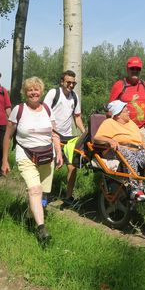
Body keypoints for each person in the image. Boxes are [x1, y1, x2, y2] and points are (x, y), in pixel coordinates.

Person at [2, 77, 63, 245]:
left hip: (46, 157)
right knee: (35, 189)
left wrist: (59, 152)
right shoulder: (18, 110)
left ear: (41, 91)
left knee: (40, 193)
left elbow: (54, 133)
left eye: (36, 89)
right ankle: (41, 229)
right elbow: (7, 136)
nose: (33, 92)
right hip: (26, 155)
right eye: (30, 90)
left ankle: (29, 218)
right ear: (25, 92)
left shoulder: (47, 109)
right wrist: (4, 160)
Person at [93, 100, 145, 205]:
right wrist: (110, 140)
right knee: (127, 153)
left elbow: (142, 136)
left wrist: (144, 146)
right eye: (126, 111)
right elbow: (97, 138)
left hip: (136, 149)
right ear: (118, 115)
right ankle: (134, 189)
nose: (129, 112)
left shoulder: (131, 123)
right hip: (119, 149)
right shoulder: (109, 122)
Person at [43, 70, 86, 206]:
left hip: (67, 137)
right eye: (69, 82)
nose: (71, 85)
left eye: (74, 83)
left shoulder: (74, 97)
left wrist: (85, 133)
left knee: (72, 166)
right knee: (48, 166)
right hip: (50, 135)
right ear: (62, 82)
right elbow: (44, 112)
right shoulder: (53, 93)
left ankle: (68, 197)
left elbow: (77, 117)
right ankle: (43, 195)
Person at [109, 56, 145, 148]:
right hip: (125, 128)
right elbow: (110, 110)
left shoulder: (144, 85)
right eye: (132, 68)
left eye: (137, 69)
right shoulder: (120, 85)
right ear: (127, 70)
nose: (135, 71)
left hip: (143, 128)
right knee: (128, 157)